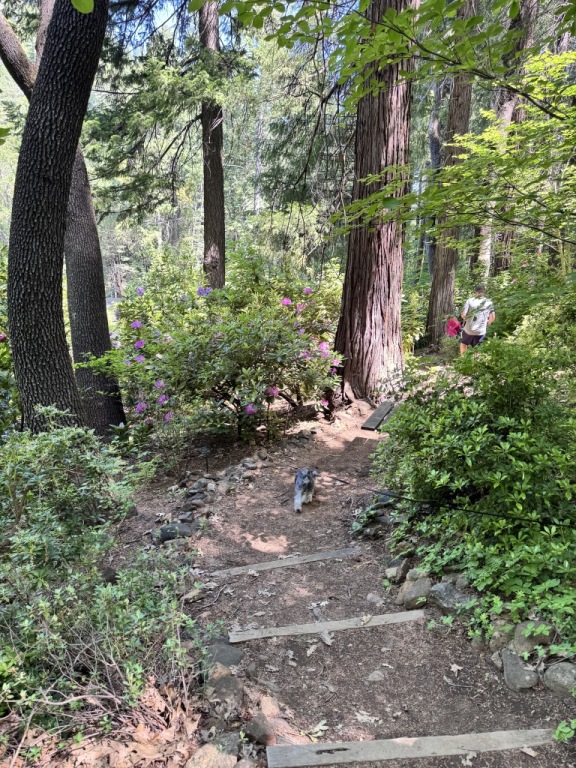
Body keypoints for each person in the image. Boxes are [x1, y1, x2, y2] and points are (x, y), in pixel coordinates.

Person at [460, 285, 495, 354]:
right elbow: (493, 317)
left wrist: (465, 319)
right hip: (481, 331)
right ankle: (476, 360)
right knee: (477, 348)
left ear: (475, 292)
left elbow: (463, 315)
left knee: (463, 343)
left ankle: (463, 358)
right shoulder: (489, 302)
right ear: (484, 292)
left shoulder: (470, 301)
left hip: (468, 330)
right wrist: (488, 323)